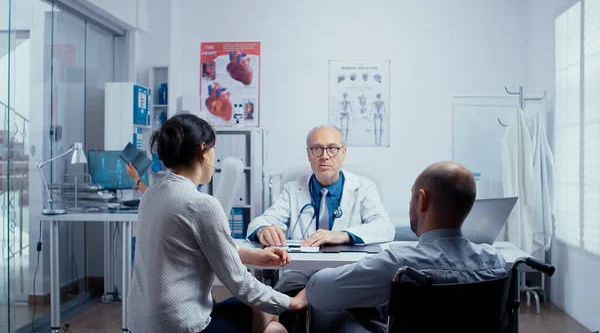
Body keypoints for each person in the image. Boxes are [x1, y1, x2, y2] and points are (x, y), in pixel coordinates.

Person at [127, 114, 307, 333]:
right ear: (204, 150)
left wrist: (253, 256)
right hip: (178, 325)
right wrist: (293, 303)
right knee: (275, 327)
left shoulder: (151, 194)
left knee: (262, 311)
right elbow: (239, 282)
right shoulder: (201, 204)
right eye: (213, 149)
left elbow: (199, 248)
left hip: (142, 323)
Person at [304, 161, 509, 333]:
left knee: (330, 313)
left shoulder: (401, 265)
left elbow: (316, 292)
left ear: (422, 200)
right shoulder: (494, 260)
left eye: (412, 196)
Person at [246, 125, 394, 330]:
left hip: (347, 275)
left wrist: (343, 235)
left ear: (343, 153)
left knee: (336, 312)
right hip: (300, 276)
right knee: (287, 308)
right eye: (317, 149)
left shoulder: (364, 188)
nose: (324, 156)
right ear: (308, 154)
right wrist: (263, 230)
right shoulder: (293, 189)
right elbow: (259, 222)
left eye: (332, 148)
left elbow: (385, 227)